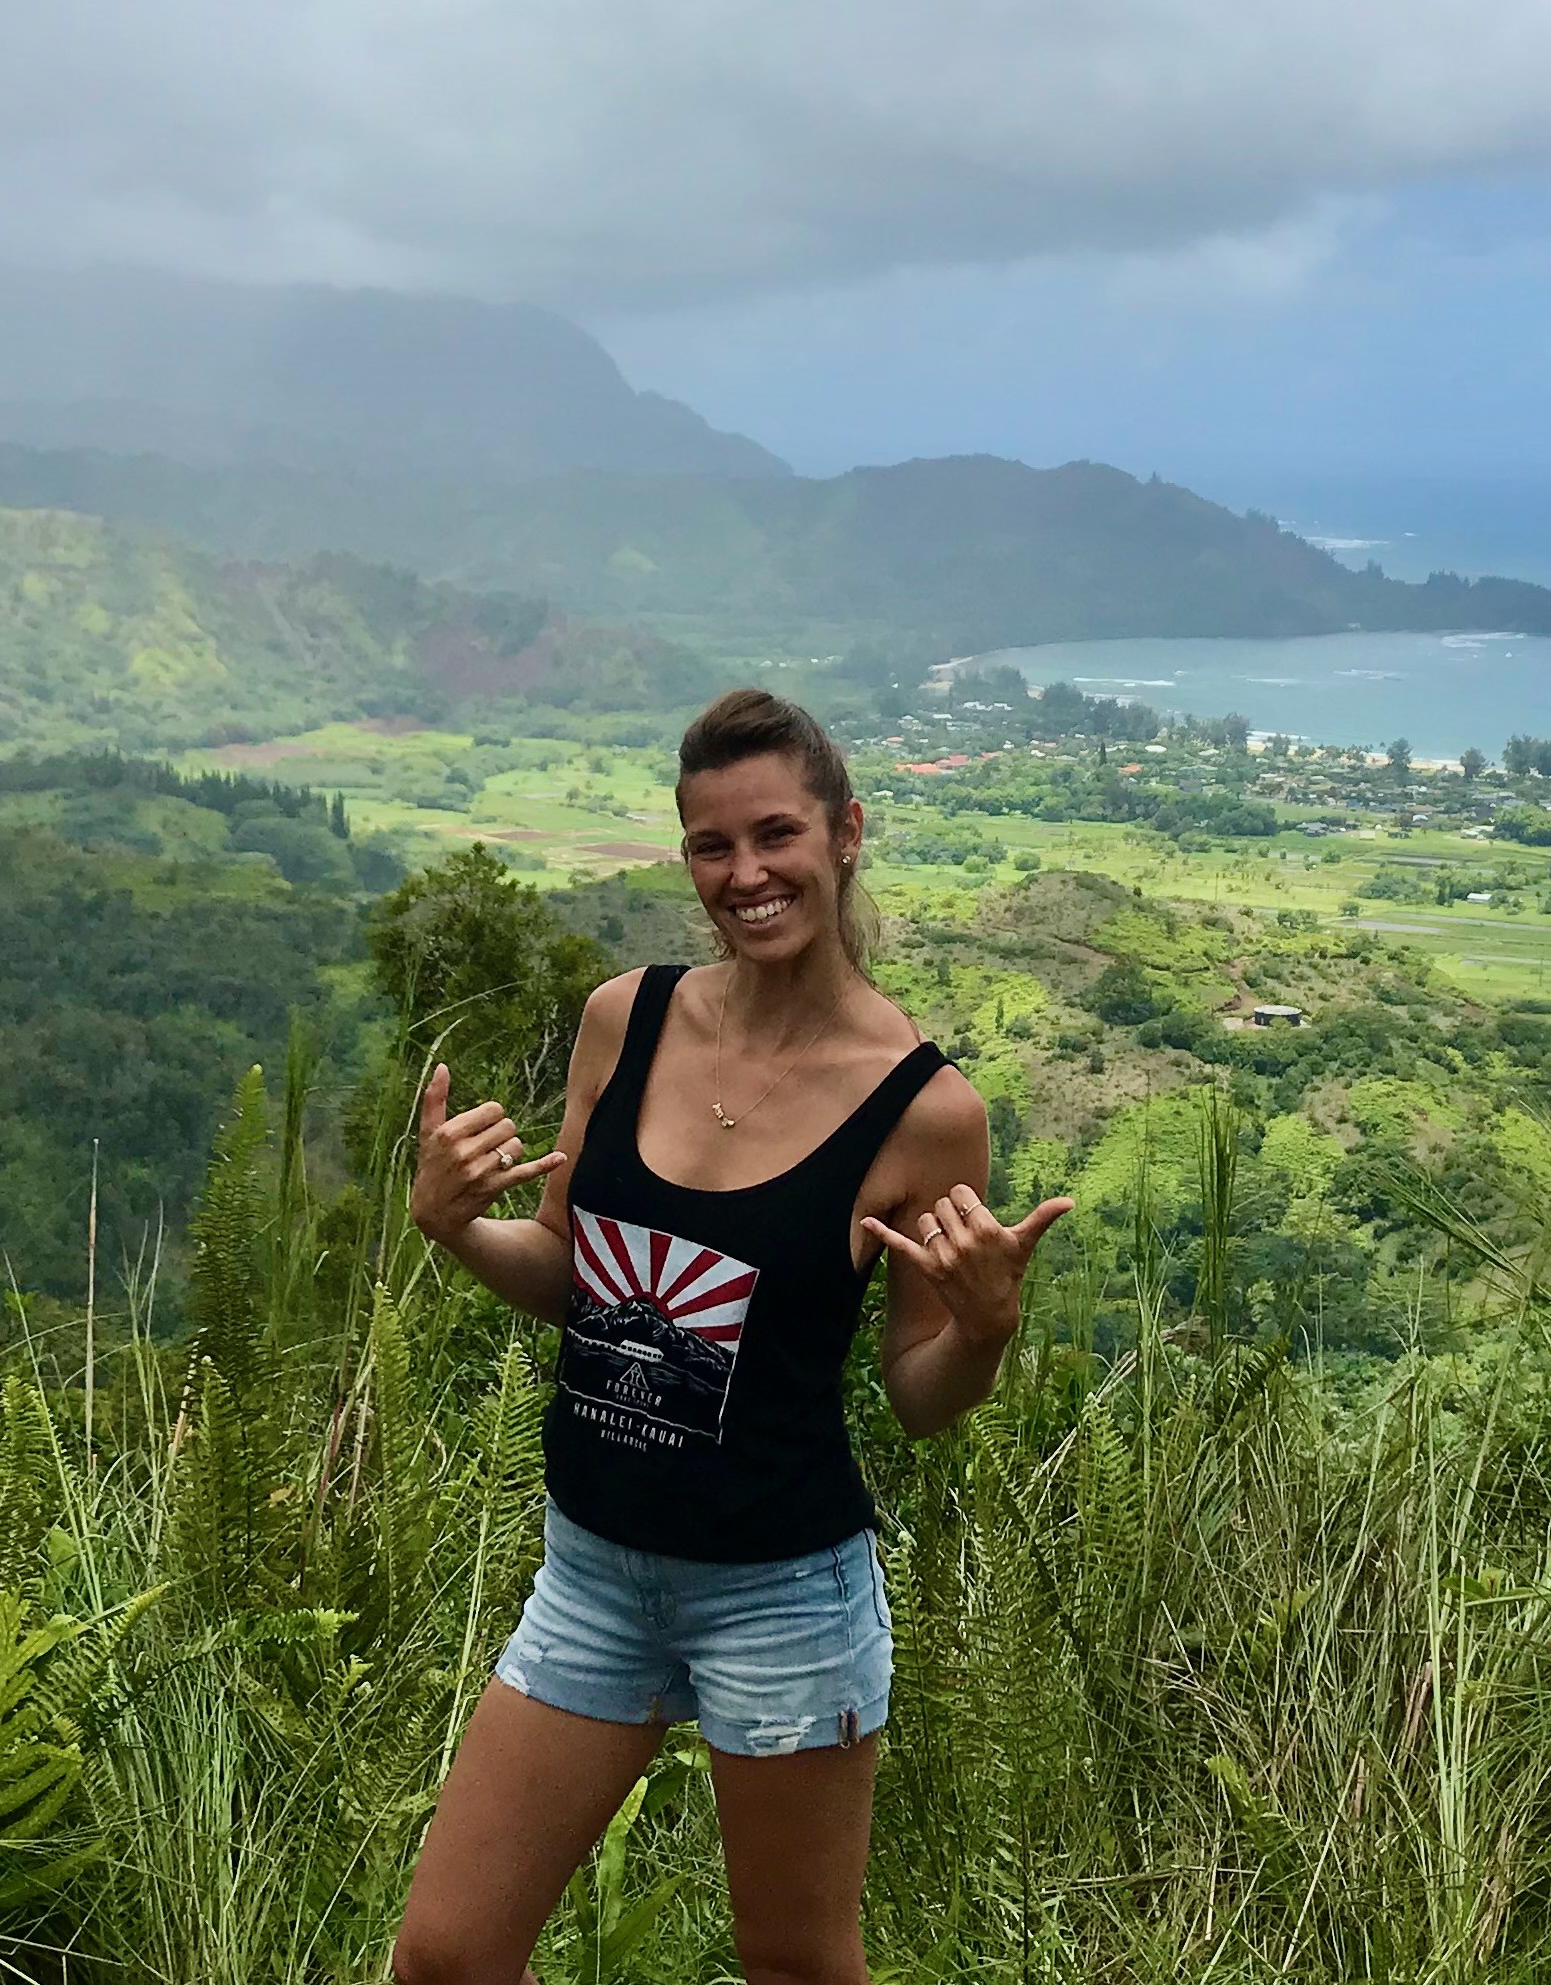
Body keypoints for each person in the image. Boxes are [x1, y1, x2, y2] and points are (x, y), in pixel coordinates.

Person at [390, 688, 1073, 1985]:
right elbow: (578, 1279)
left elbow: (920, 1394)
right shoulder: (625, 1020)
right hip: (593, 1569)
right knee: (445, 1957)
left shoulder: (924, 1110)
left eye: (776, 835)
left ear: (846, 833)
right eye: (713, 846)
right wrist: (452, 1226)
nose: (746, 874)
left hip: (783, 1593)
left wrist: (985, 1332)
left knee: (796, 1967)